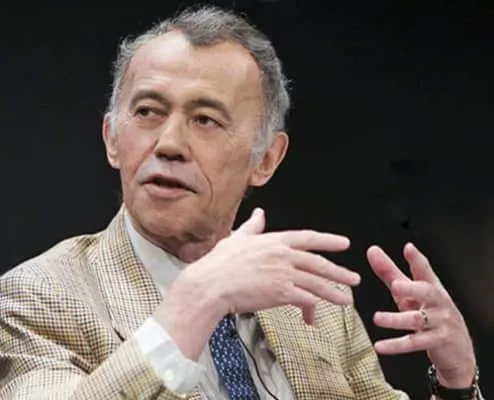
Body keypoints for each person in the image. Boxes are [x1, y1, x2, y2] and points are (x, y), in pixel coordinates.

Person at [0, 5, 483, 400]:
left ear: (266, 159)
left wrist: (456, 384)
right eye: (147, 111)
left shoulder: (313, 304)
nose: (169, 143)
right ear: (112, 138)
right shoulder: (40, 297)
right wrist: (197, 300)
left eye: (205, 120)